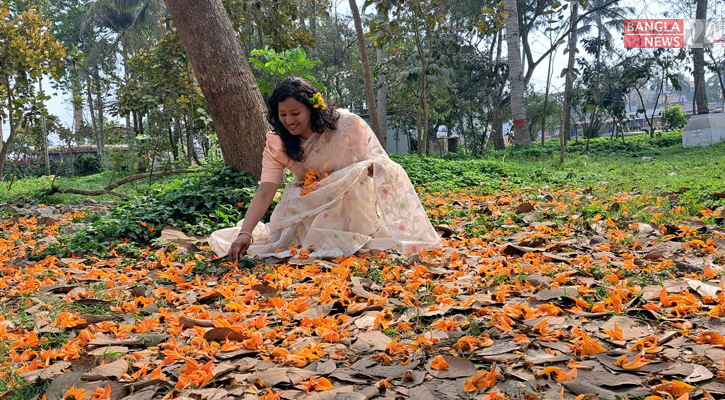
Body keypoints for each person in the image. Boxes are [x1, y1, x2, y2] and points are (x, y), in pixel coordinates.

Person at [209, 77, 441, 263]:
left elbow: (366, 167)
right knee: (297, 239)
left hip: (349, 200)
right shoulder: (277, 143)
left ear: (312, 109)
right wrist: (245, 234)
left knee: (346, 196)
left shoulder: (347, 125)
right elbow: (266, 191)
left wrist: (369, 170)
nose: (289, 120)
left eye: (295, 113)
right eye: (283, 115)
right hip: (306, 202)